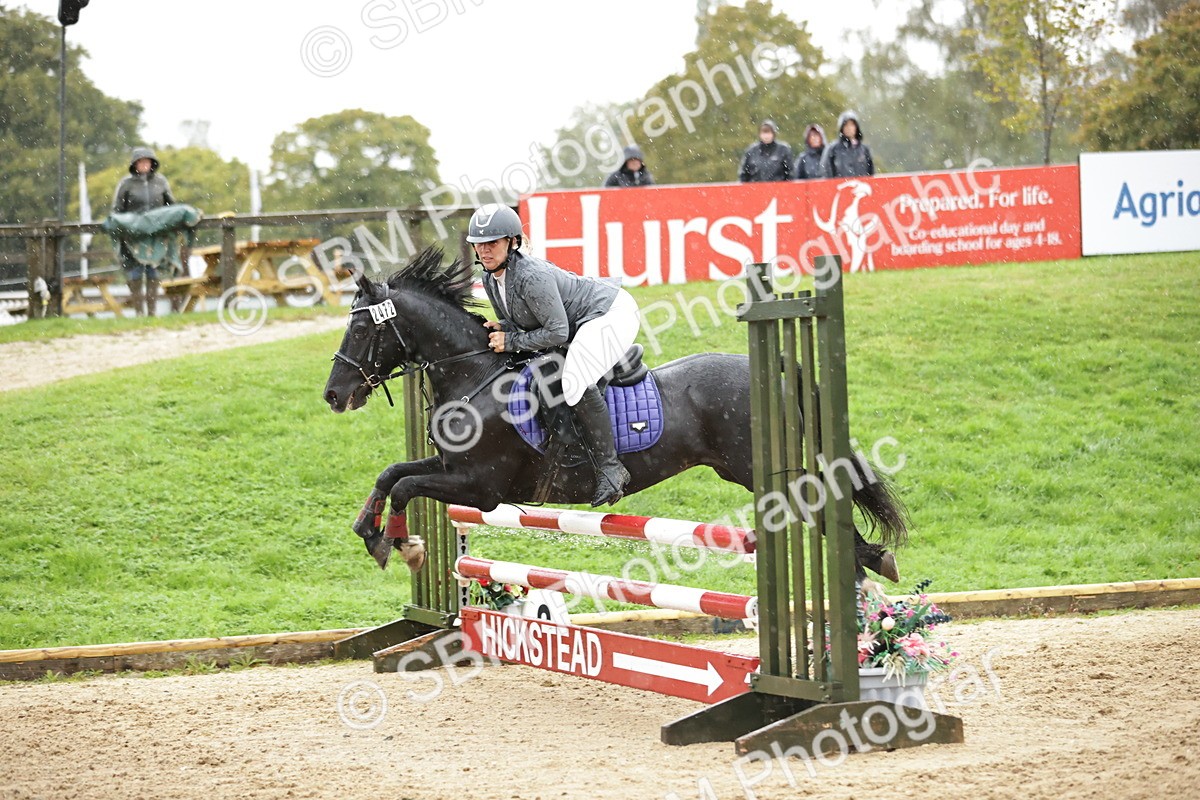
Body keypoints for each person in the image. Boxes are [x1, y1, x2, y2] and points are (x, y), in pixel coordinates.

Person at [468, 203, 640, 507]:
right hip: (577, 324)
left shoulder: (531, 275)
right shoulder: (490, 280)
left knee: (574, 382)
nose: (484, 250)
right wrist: (504, 327)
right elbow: (526, 322)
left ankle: (612, 469)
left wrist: (509, 341)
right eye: (479, 244)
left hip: (609, 313)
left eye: (492, 243)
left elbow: (557, 333)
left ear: (512, 242)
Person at [111, 147, 174, 316]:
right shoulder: (126, 184)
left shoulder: (161, 182)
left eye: (147, 161)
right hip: (134, 236)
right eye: (140, 161)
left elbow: (171, 207)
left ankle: (152, 312)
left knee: (153, 271)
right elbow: (117, 210)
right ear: (135, 164)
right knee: (135, 271)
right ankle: (139, 312)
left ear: (152, 163)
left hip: (156, 235)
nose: (144, 164)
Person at [820, 110, 875, 179]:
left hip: (860, 188)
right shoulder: (833, 149)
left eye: (852, 124)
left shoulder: (864, 150)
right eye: (846, 125)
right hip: (839, 188)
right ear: (841, 128)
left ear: (856, 127)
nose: (849, 128)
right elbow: (826, 172)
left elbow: (871, 174)